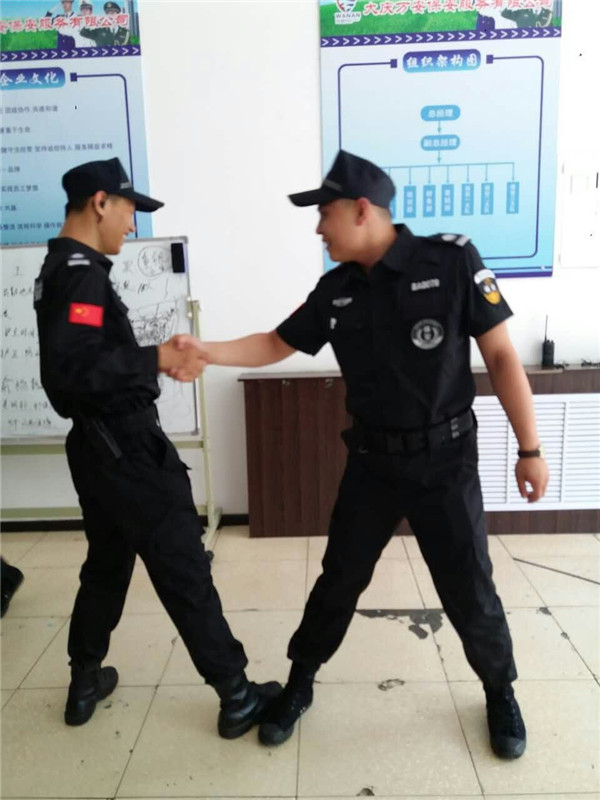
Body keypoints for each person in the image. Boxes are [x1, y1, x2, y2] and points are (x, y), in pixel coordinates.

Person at [172, 150, 549, 759]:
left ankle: (499, 690)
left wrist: (530, 448)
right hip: (373, 465)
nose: (318, 228)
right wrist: (207, 351)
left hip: (445, 462)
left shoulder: (452, 261)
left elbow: (502, 356)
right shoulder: (336, 290)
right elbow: (275, 343)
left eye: (324, 214)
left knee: (469, 586)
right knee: (339, 579)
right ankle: (300, 681)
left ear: (362, 210)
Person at [34, 157, 281, 734]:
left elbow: (85, 360)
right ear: (100, 203)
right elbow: (73, 372)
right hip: (126, 450)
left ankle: (84, 679)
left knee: (107, 563)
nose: (132, 224)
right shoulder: (80, 274)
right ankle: (237, 696)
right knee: (182, 567)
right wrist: (156, 358)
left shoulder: (63, 269)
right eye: (128, 211)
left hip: (96, 448)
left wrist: (151, 360)